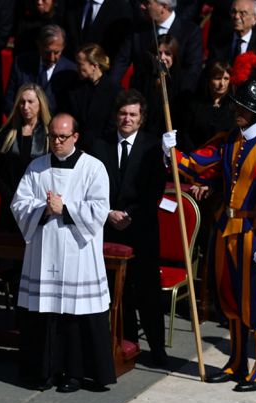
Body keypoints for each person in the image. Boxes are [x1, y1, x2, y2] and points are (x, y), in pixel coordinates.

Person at [164, 52, 256, 390]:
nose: (233, 111)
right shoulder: (229, 141)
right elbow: (196, 165)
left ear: (253, 111)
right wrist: (173, 153)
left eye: (239, 107)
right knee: (232, 302)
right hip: (228, 231)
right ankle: (238, 361)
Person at [11, 112, 117, 392]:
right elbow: (19, 204)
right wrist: (43, 209)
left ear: (75, 137)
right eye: (52, 136)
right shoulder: (36, 168)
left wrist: (66, 209)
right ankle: (43, 372)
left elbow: (99, 210)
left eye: (62, 137)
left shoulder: (93, 168)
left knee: (74, 314)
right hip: (45, 252)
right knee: (44, 314)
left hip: (77, 253)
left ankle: (75, 374)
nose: (56, 142)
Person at [92, 89, 168, 367]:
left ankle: (157, 348)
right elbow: (93, 187)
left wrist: (130, 215)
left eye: (133, 114)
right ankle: (125, 342)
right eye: (123, 113)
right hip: (108, 227)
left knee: (147, 290)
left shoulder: (152, 146)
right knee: (116, 290)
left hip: (142, 229)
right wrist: (108, 213)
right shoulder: (100, 145)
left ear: (141, 118)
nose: (127, 119)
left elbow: (154, 191)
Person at [0, 83, 51, 235]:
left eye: (30, 102)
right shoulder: (7, 132)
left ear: (40, 103)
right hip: (10, 205)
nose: (25, 106)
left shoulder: (49, 135)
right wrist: (14, 199)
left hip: (39, 208)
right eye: (22, 102)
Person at [5, 24, 77, 114]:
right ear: (39, 45)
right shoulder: (21, 63)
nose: (52, 58)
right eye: (47, 52)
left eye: (56, 52)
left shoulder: (71, 71)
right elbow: (10, 99)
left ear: (63, 47)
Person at [66, 42, 121, 143]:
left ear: (94, 66)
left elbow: (112, 126)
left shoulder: (114, 91)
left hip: (102, 149)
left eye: (80, 64)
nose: (76, 68)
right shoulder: (75, 88)